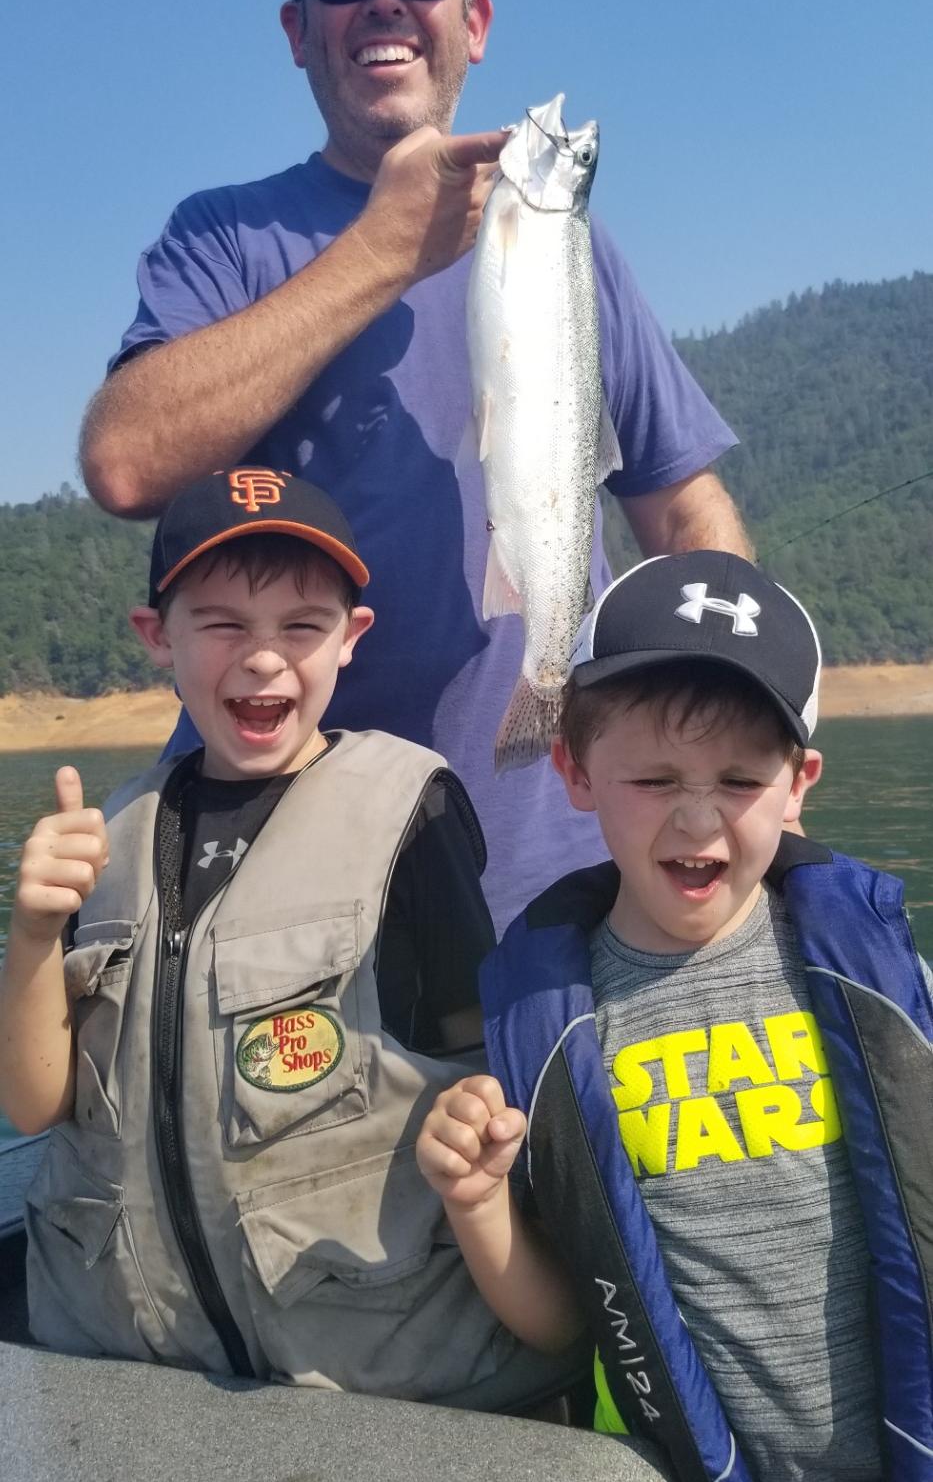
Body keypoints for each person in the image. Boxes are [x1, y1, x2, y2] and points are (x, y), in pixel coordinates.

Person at [79, 0, 752, 934]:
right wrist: (380, 252)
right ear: (299, 30)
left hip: (568, 875)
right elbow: (124, 461)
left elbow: (682, 511)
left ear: (473, 21)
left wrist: (741, 704)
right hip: (292, 893)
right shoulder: (222, 236)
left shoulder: (567, 246)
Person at [0, 466, 573, 1408]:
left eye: (301, 627)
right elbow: (34, 1106)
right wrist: (31, 933)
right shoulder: (109, 834)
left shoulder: (410, 815)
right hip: (128, 1383)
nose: (263, 659)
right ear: (158, 638)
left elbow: (481, 1068)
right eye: (223, 623)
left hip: (373, 1386)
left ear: (351, 641)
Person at [416, 550, 933, 1482]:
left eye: (737, 783)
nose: (697, 824)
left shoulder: (882, 975)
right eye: (653, 781)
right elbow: (567, 1320)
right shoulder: (550, 1024)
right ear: (574, 771)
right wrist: (476, 1201)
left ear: (798, 781)